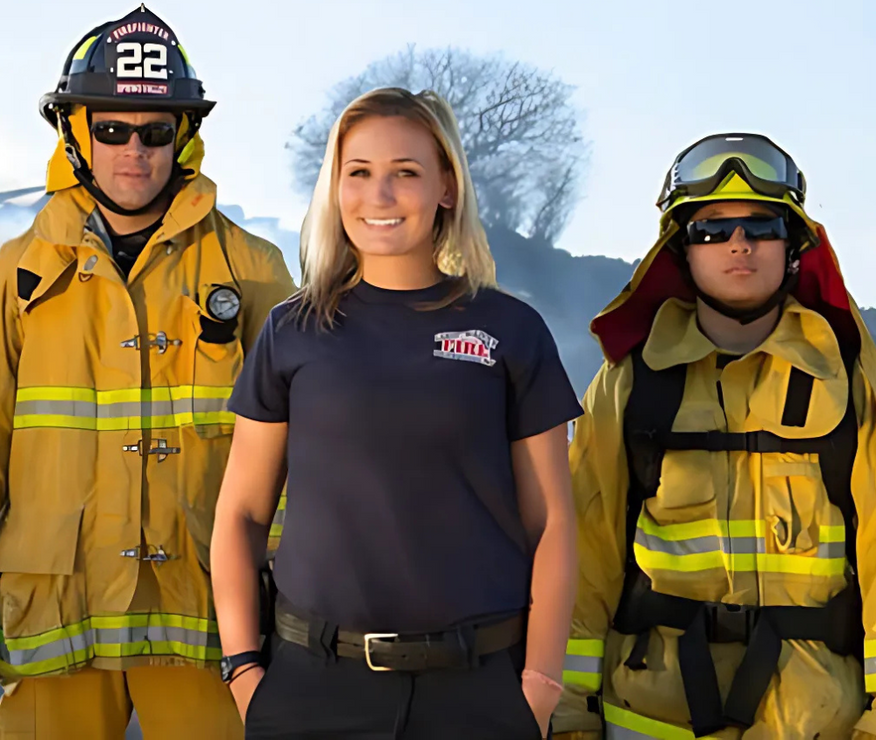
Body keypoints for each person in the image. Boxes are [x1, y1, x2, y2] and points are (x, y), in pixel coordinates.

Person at [210, 87, 581, 739]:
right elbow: (241, 514)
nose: (378, 197)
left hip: (478, 695)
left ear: (446, 187)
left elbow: (551, 520)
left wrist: (539, 686)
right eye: (359, 173)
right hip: (311, 693)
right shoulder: (291, 332)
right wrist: (244, 672)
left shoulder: (511, 330)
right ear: (336, 188)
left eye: (404, 173)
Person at [0, 5, 295, 740]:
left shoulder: (254, 272)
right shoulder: (16, 276)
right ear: (74, 132)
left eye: (157, 131)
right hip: (51, 624)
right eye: (112, 130)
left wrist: (287, 607)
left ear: (183, 137)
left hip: (206, 626)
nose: (136, 150)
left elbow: (304, 458)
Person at [552, 133, 876, 740]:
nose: (738, 244)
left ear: (795, 246)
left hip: (817, 723)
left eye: (762, 226)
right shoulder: (627, 384)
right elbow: (584, 553)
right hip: (650, 718)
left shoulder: (851, 380)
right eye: (711, 229)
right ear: (681, 250)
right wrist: (568, 714)